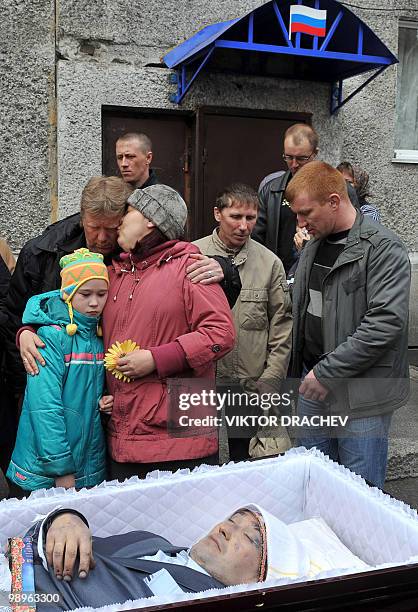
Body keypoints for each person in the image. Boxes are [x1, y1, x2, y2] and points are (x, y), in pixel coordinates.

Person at [287, 161, 410, 488]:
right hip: (312, 385)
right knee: (312, 485)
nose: (300, 223)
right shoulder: (313, 245)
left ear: (333, 201)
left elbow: (385, 323)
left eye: (305, 213)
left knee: (359, 496)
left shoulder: (384, 249)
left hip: (361, 395)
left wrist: (328, 372)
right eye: (295, 214)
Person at [102, 184, 235, 479]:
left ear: (151, 219)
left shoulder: (190, 267)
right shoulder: (115, 272)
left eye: (128, 212)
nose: (120, 221)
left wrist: (155, 358)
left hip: (183, 440)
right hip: (124, 437)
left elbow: (221, 333)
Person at [24, 503, 312, 610]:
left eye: (249, 537)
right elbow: (34, 545)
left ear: (261, 576)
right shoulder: (153, 541)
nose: (225, 528)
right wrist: (64, 518)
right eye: (231, 520)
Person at [194, 184, 292, 460]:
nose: (243, 226)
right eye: (235, 216)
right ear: (217, 213)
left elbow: (282, 327)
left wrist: (272, 378)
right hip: (202, 382)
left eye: (250, 218)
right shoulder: (192, 255)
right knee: (199, 460)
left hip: (248, 384)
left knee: (246, 460)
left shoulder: (270, 263)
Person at [7, 248, 111, 493]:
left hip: (85, 468)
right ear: (67, 293)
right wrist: (61, 469)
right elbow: (44, 408)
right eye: (85, 294)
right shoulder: (50, 337)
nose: (94, 302)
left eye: (102, 294)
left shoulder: (99, 336)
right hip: (46, 473)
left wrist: (107, 400)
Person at [253, 124, 359, 273]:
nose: (294, 164)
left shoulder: (340, 189)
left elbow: (353, 237)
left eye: (301, 158)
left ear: (315, 153)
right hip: (278, 277)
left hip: (322, 274)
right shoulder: (271, 190)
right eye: (288, 157)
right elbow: (256, 240)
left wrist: (313, 246)